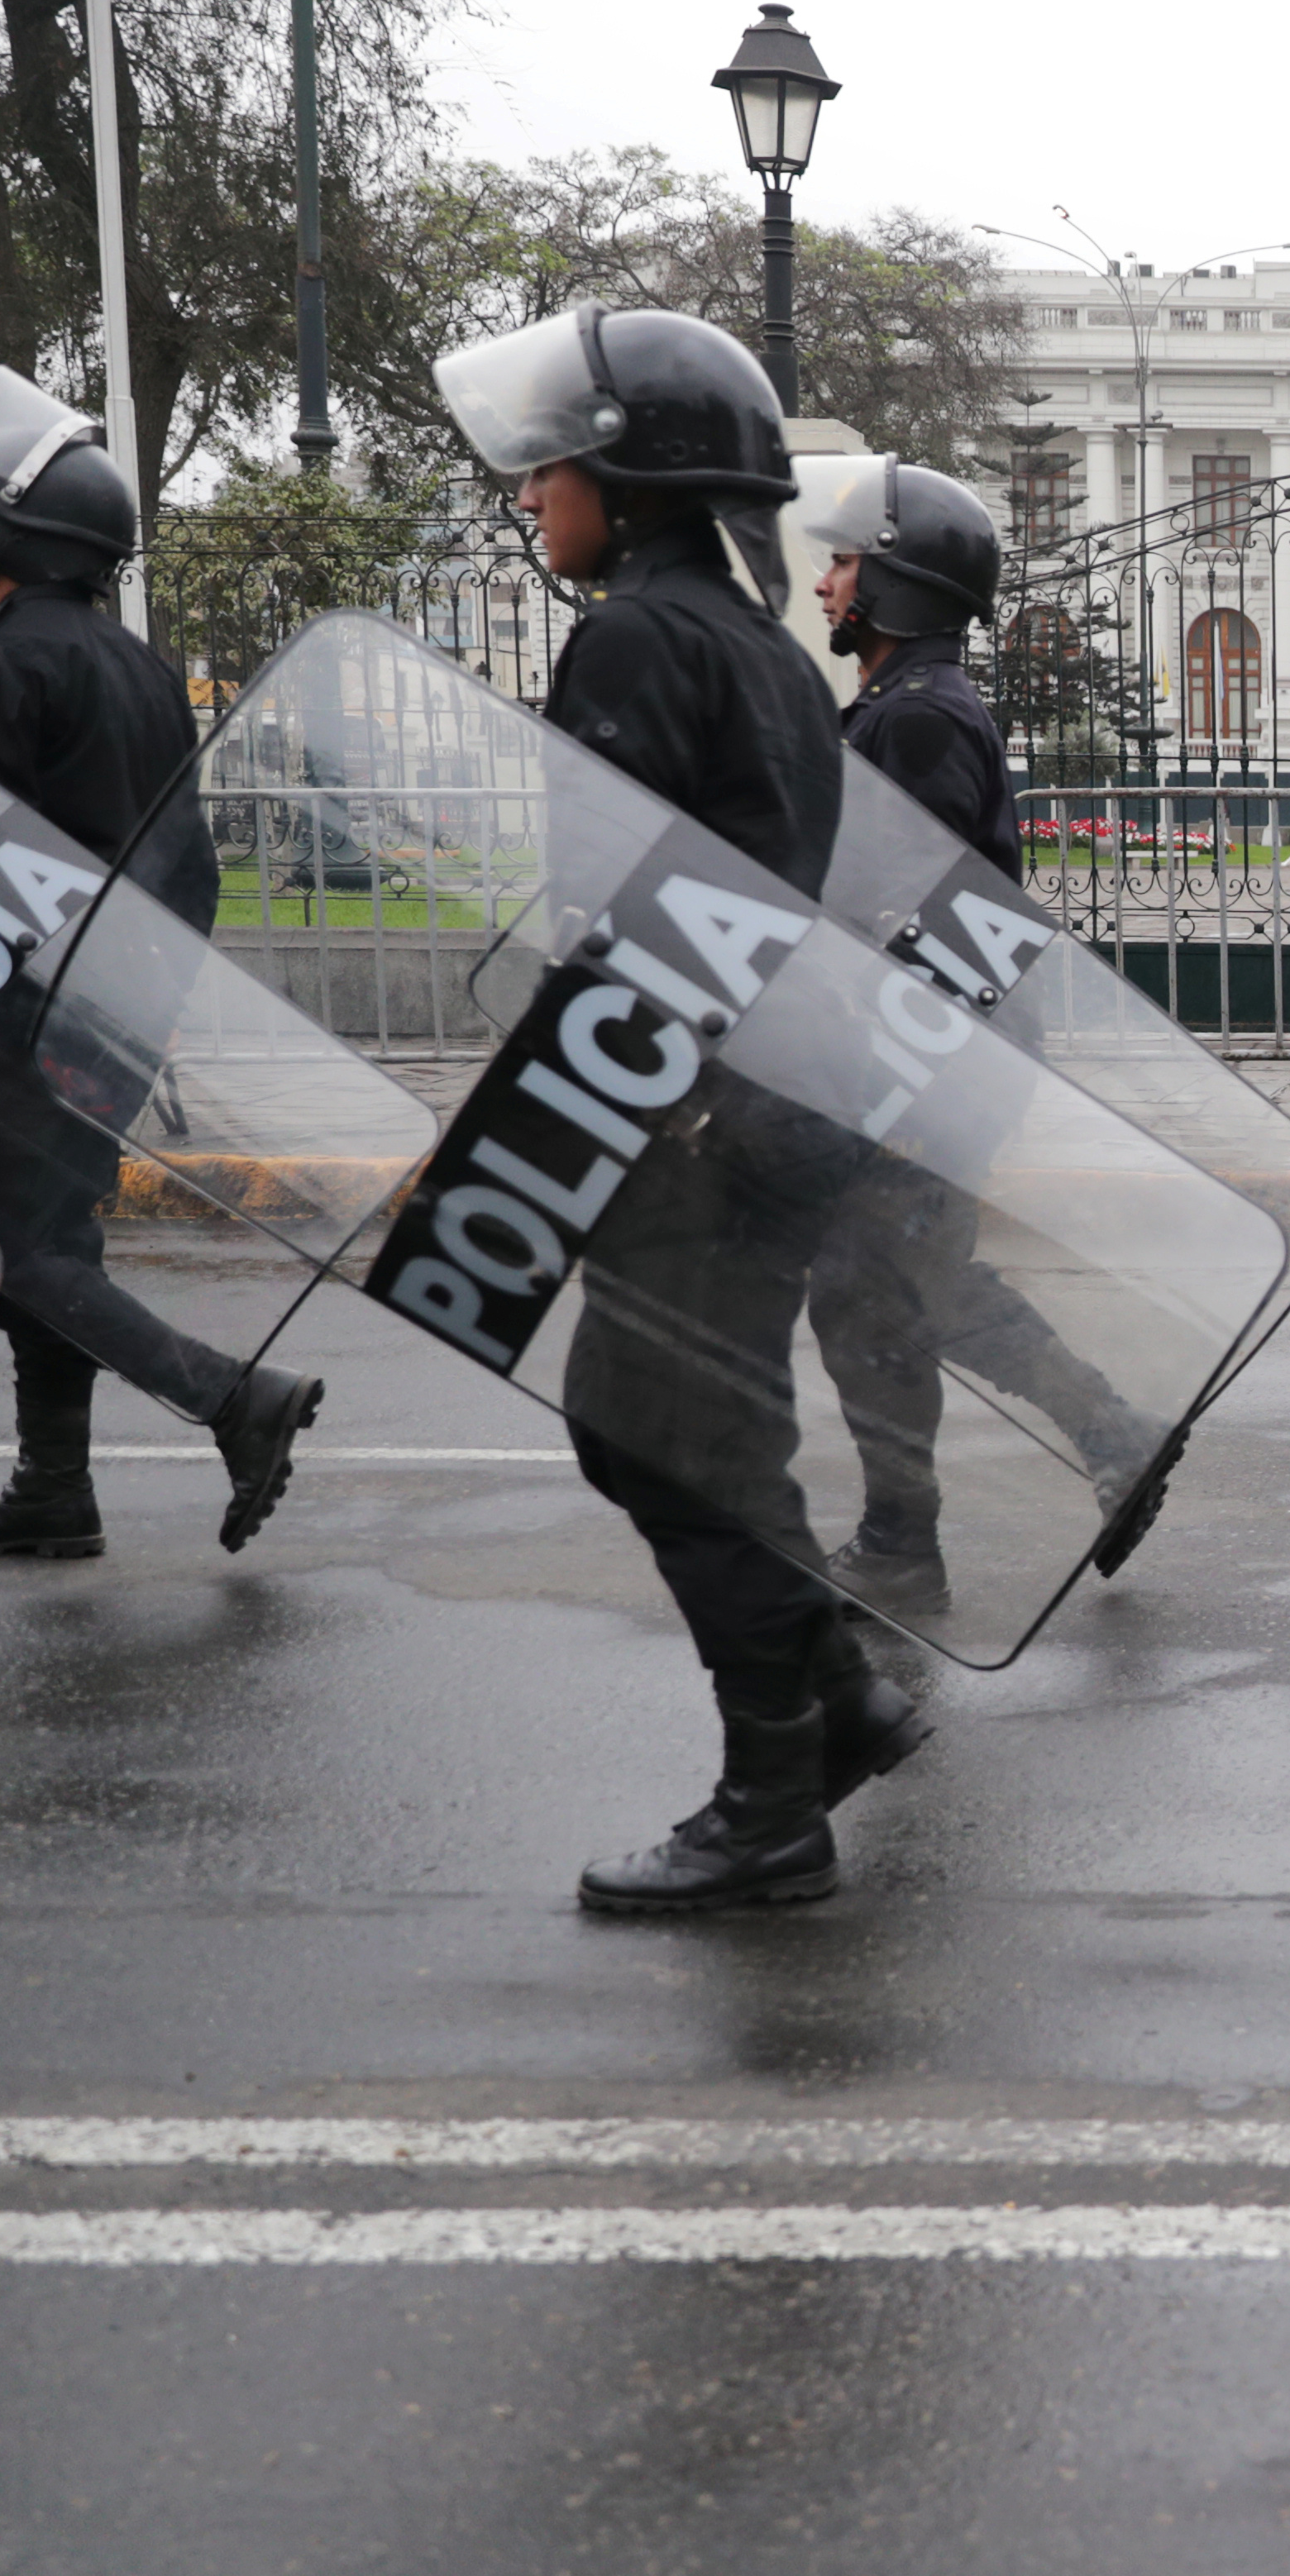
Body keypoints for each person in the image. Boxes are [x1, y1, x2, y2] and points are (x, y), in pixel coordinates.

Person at [427, 304, 920, 1911]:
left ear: (627, 483)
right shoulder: (766, 651)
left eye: (553, 469)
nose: (531, 496)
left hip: (697, 1112)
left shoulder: (640, 640)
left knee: (665, 1433)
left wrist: (562, 1135)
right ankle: (826, 1706)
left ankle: (775, 1801)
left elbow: (622, 914)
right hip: (778, 1107)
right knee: (707, 1431)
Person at [0, 374, 324, 1567]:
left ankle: (232, 1397)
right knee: (51, 1240)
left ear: (20, 533)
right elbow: (179, 856)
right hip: (119, 1004)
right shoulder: (142, 669)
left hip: (13, 1011)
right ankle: (54, 1490)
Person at [792, 456, 1172, 1615]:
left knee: (876, 1291)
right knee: (908, 1287)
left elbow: (924, 914)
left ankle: (911, 1542)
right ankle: (1107, 1437)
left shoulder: (920, 723)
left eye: (845, 563)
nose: (823, 586)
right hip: (933, 1062)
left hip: (932, 1066)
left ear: (896, 585)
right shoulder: (902, 711)